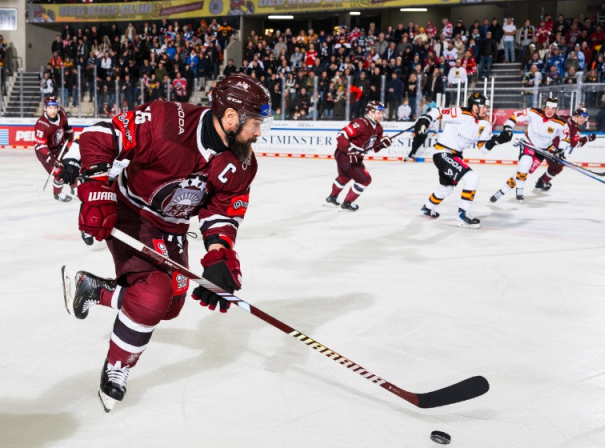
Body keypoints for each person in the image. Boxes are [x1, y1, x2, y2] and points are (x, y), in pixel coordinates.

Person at [62, 73, 273, 413]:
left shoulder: (242, 162)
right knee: (152, 296)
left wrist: (219, 255)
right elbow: (100, 136)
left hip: (171, 226)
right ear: (231, 117)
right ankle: (118, 365)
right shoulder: (166, 121)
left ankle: (94, 290)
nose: (259, 132)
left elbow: (222, 210)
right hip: (133, 213)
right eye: (256, 124)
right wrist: (98, 193)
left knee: (170, 307)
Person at [413, 93, 511, 228]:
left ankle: (427, 208)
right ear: (474, 106)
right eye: (483, 106)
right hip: (442, 152)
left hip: (455, 156)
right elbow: (437, 111)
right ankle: (462, 215)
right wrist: (425, 119)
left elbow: (483, 149)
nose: (486, 109)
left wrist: (499, 140)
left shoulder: (486, 123)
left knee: (446, 188)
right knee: (472, 177)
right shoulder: (461, 112)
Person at [490, 97, 570, 203]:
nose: (550, 111)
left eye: (553, 109)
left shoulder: (561, 123)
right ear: (544, 107)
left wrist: (561, 150)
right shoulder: (533, 113)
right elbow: (515, 116)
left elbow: (565, 137)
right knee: (525, 162)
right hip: (528, 144)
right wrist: (508, 127)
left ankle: (502, 191)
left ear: (556, 110)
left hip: (541, 151)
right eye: (548, 108)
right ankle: (520, 190)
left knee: (522, 172)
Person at [324, 101, 393, 211]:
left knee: (344, 177)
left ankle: (332, 198)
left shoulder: (378, 128)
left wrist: (382, 144)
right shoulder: (361, 123)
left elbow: (374, 148)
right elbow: (342, 134)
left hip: (353, 156)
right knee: (365, 179)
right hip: (346, 154)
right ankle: (347, 203)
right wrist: (349, 151)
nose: (381, 115)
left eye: (382, 112)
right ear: (371, 112)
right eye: (379, 112)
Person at [535, 106, 596, 191]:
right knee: (558, 168)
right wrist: (587, 138)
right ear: (576, 115)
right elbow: (575, 144)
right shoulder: (576, 129)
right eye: (581, 117)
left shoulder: (566, 118)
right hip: (553, 150)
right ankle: (541, 182)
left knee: (556, 167)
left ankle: (541, 181)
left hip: (548, 145)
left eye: (584, 117)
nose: (582, 119)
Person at [33, 96, 75, 202]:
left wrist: (69, 132)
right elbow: (41, 146)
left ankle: (74, 188)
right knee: (59, 172)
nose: (53, 110)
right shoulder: (41, 124)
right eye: (50, 108)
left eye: (55, 107)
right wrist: (51, 158)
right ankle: (58, 194)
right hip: (45, 152)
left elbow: (65, 125)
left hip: (59, 146)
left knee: (73, 164)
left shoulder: (62, 113)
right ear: (45, 108)